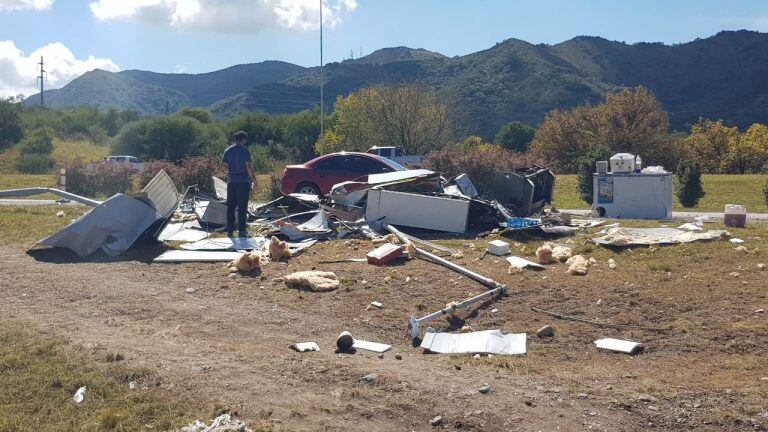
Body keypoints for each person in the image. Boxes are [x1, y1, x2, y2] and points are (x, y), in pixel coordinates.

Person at [221, 131, 255, 237]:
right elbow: (248, 166)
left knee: (231, 207)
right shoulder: (245, 150)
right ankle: (242, 230)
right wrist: (253, 179)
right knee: (242, 207)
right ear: (243, 139)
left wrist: (231, 171)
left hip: (231, 182)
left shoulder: (228, 150)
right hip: (243, 182)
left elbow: (223, 165)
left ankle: (230, 231)